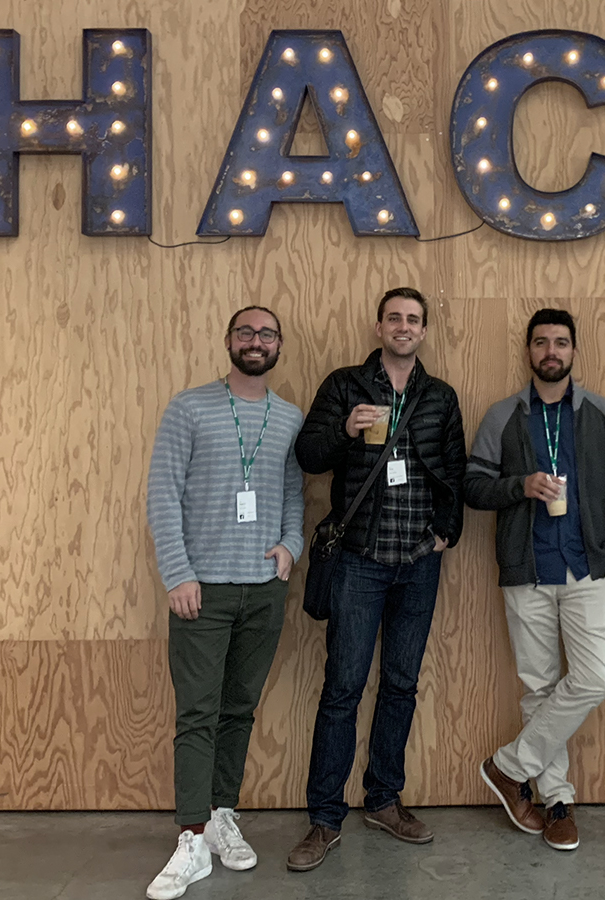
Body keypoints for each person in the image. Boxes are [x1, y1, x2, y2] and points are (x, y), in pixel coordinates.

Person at [285, 287, 468, 872]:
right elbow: (309, 456)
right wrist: (344, 427)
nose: (404, 327)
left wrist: (447, 532)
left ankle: (385, 800)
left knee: (401, 684)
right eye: (395, 318)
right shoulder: (345, 384)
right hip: (360, 559)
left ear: (424, 330)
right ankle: (325, 817)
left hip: (419, 562)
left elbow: (456, 470)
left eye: (414, 320)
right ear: (380, 325)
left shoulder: (440, 395)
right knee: (342, 688)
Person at [144, 307, 305, 898]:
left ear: (278, 345)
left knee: (238, 709)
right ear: (230, 341)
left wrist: (292, 545)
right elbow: (162, 493)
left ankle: (219, 816)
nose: (256, 342)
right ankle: (189, 839)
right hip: (201, 592)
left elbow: (293, 491)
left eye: (266, 334)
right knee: (197, 713)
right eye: (246, 333)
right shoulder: (189, 408)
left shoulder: (288, 418)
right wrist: (178, 574)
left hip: (264, 589)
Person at [466, 308, 605, 852]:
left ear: (574, 351)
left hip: (588, 567)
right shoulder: (503, 416)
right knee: (538, 688)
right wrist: (519, 485)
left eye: (561, 343)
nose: (551, 352)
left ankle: (508, 766)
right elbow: (472, 486)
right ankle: (557, 800)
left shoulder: (603, 413)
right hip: (527, 568)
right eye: (541, 343)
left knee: (595, 678)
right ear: (529, 351)